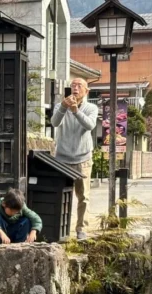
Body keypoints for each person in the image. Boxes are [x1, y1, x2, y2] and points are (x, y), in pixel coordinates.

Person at [51, 78, 98, 240]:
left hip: (82, 158)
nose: (75, 88)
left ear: (86, 91)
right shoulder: (60, 105)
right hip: (62, 158)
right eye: (73, 85)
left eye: (79, 86)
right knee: (60, 194)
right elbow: (54, 122)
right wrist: (64, 107)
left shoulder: (91, 108)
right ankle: (59, 229)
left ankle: (81, 229)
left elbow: (90, 125)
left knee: (83, 196)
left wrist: (76, 111)